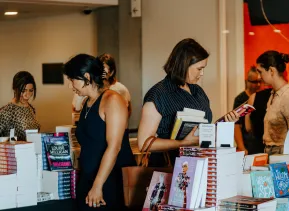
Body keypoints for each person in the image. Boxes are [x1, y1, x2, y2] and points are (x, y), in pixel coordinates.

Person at [137, 38, 239, 167]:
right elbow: (144, 143)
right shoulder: (159, 94)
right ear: (184, 65)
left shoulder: (197, 91)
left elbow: (202, 130)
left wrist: (225, 123)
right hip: (170, 167)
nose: (202, 74)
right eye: (199, 69)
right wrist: (183, 143)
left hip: (199, 163)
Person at [63, 54, 136, 211]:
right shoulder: (87, 102)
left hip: (108, 181)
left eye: (72, 80)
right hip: (89, 178)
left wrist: (97, 185)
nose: (70, 86)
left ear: (87, 77)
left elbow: (114, 147)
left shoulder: (113, 100)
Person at [256, 50, 289, 155]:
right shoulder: (273, 94)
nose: (259, 77)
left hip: (284, 157)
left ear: (271, 71)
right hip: (273, 155)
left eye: (260, 72)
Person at [72, 53, 132, 118]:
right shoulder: (88, 87)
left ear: (111, 72)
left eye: (103, 72)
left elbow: (127, 111)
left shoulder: (120, 89)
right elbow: (75, 108)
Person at [0, 71, 40, 141]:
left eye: (31, 90)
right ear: (15, 89)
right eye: (23, 90)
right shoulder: (7, 111)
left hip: (31, 150)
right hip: (14, 151)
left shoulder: (31, 108)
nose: (27, 95)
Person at [233, 66, 262, 155]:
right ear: (247, 81)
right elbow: (236, 125)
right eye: (254, 82)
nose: (258, 85)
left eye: (259, 82)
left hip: (260, 145)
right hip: (247, 145)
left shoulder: (262, 96)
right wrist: (242, 147)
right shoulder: (240, 99)